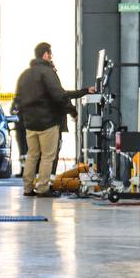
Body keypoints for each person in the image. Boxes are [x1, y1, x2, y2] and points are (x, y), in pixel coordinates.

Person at [14, 42, 92, 198]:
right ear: (45, 54)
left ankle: (27, 188)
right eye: (50, 54)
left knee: (32, 155)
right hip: (47, 122)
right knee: (48, 156)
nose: (51, 57)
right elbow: (59, 95)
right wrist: (73, 111)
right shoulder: (48, 72)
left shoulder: (25, 74)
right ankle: (42, 188)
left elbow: (18, 99)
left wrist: (25, 118)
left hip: (30, 123)